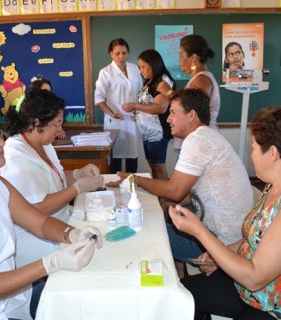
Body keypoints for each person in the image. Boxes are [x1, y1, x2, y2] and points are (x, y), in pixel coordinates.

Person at [0, 104, 103, 320]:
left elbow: (40, 223)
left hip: (16, 302)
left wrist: (73, 234)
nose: (1, 142)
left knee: (90, 301)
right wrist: (51, 263)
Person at [107, 88, 253, 277]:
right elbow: (190, 192)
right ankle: (179, 273)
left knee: (148, 231)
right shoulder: (207, 135)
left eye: (173, 113)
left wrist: (134, 179)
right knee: (165, 210)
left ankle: (169, 286)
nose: (168, 119)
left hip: (224, 243)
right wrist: (167, 203)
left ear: (191, 115)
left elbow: (174, 190)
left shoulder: (198, 139)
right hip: (232, 232)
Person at [171, 106, 281, 320]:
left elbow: (254, 277)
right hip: (245, 291)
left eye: (254, 148)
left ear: (273, 153)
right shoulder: (271, 187)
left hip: (269, 306)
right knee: (179, 297)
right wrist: (218, 256)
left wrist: (200, 231)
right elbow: (254, 239)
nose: (252, 155)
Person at [0, 90, 104, 268]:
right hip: (35, 238)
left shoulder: (43, 144)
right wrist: (77, 188)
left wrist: (78, 173)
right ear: (37, 123)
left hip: (58, 222)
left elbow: (56, 178)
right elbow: (39, 208)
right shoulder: (16, 157)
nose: (61, 129)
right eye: (58, 124)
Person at [121, 49, 176, 179]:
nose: (141, 71)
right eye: (140, 67)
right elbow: (148, 105)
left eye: (143, 67)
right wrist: (138, 113)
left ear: (153, 64)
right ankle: (159, 195)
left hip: (158, 131)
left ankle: (163, 197)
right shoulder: (150, 81)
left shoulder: (163, 80)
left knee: (158, 166)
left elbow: (160, 108)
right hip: (148, 132)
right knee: (153, 164)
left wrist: (135, 106)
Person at [94, 38, 143, 173]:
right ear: (111, 54)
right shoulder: (106, 72)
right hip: (115, 121)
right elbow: (98, 98)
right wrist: (112, 113)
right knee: (115, 159)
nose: (121, 57)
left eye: (124, 53)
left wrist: (139, 110)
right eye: (117, 53)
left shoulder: (134, 69)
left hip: (133, 120)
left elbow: (141, 92)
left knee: (132, 158)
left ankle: (132, 188)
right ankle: (116, 190)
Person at [172, 34, 220, 153]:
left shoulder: (201, 80)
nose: (179, 60)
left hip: (198, 144)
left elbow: (194, 110)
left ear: (193, 57)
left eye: (181, 55)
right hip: (194, 141)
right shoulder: (197, 78)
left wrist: (168, 93)